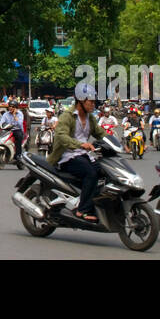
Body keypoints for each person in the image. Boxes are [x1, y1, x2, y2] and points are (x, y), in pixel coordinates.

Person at [50, 81, 106, 222]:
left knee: (104, 172)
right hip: (66, 156)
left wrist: (115, 143)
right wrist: (81, 144)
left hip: (83, 155)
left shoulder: (90, 118)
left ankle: (91, 202)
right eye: (91, 102)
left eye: (94, 102)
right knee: (91, 174)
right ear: (81, 101)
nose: (93, 104)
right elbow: (62, 137)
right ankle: (82, 210)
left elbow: (101, 133)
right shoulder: (67, 116)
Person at [0, 101, 25, 168]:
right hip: (7, 130)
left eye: (12, 107)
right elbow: (2, 122)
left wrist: (14, 115)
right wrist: (0, 125)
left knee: (19, 137)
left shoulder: (20, 114)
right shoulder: (5, 114)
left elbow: (19, 124)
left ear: (16, 108)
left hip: (17, 130)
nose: (10, 108)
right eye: (10, 106)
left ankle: (18, 156)